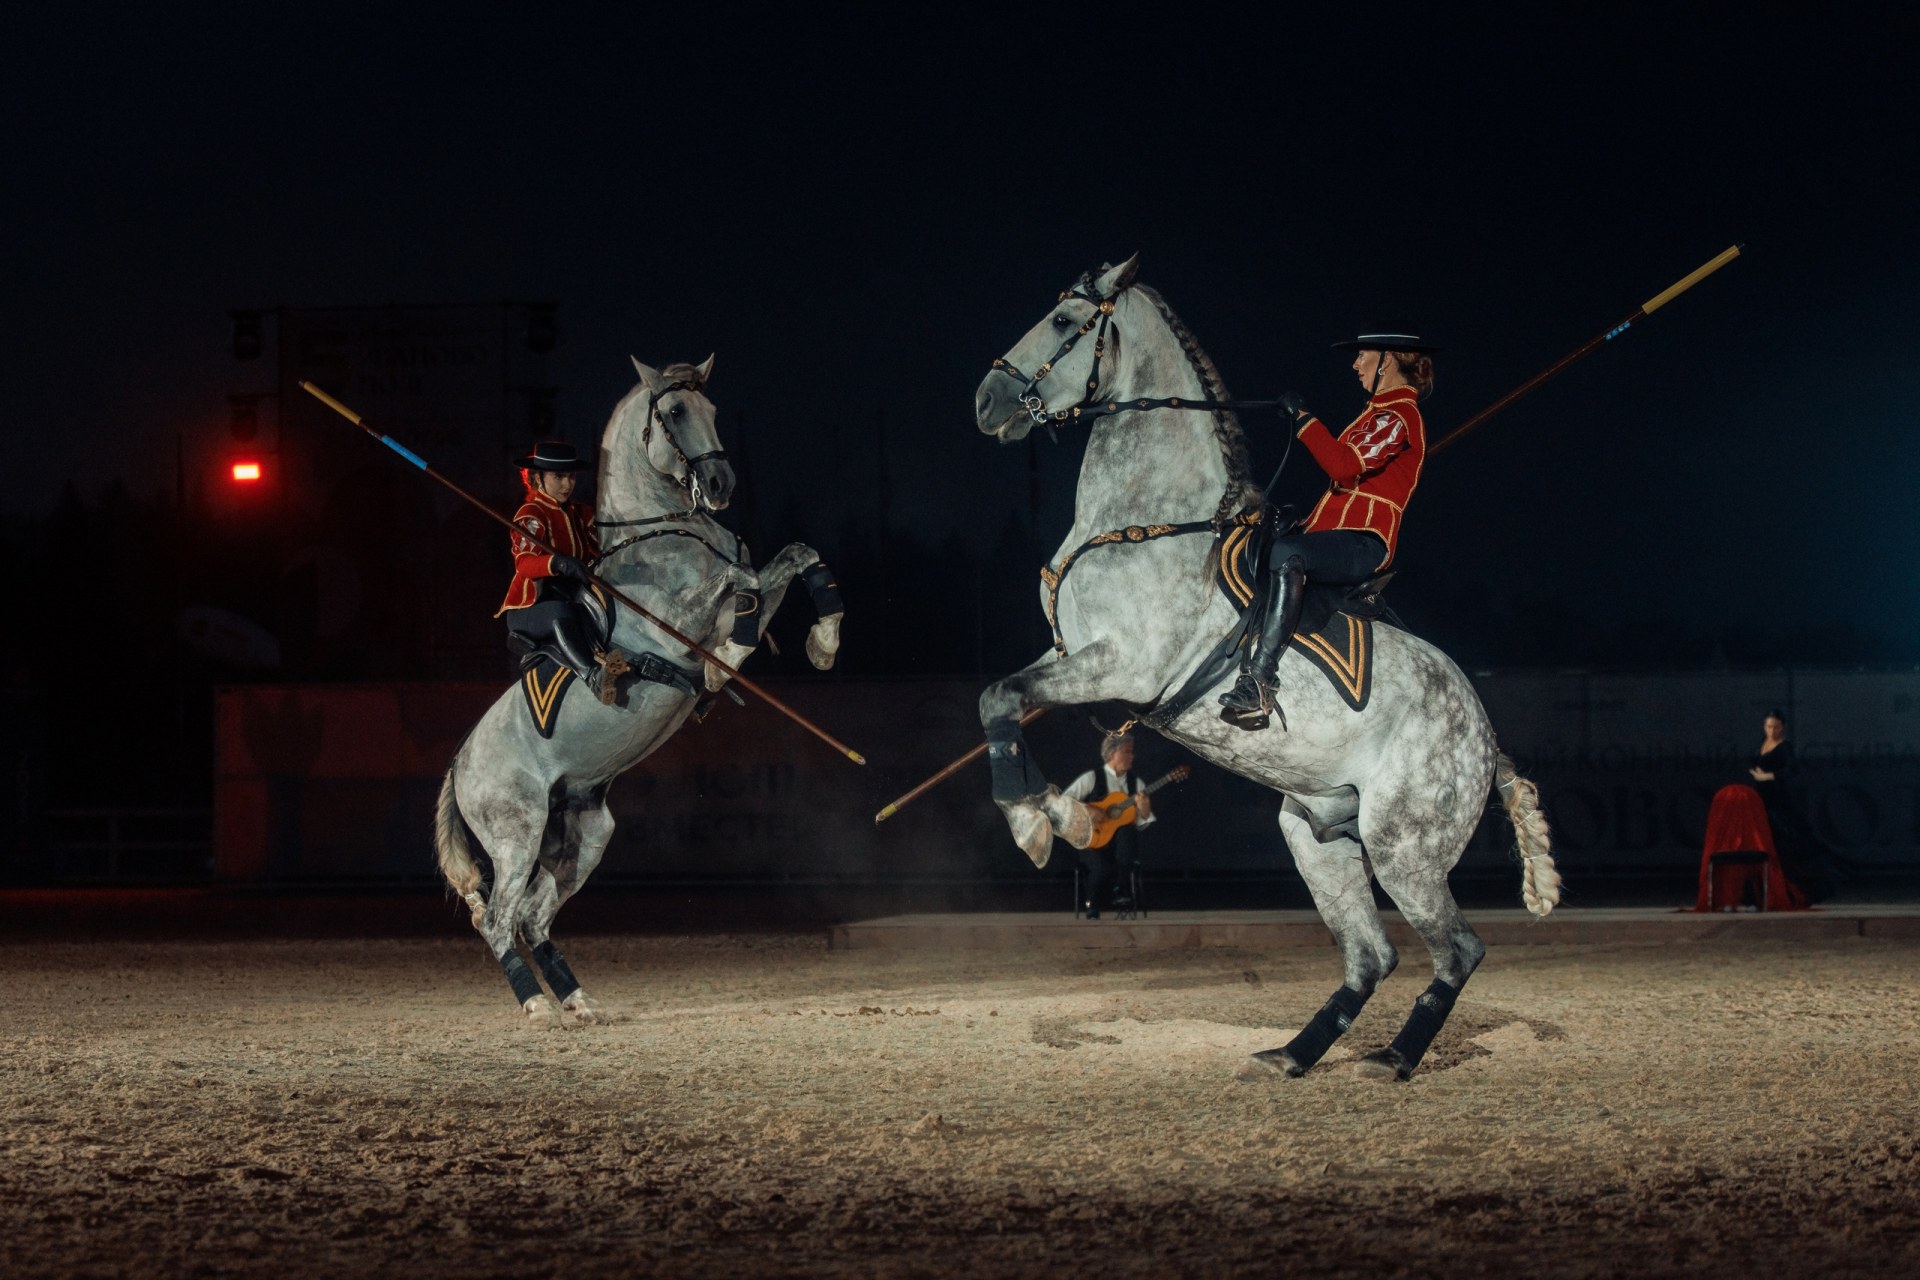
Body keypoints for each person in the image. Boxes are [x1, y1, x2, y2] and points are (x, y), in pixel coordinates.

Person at [1220, 333, 1439, 730]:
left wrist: (1304, 418)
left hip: (1363, 543)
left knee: (1288, 554)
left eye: (1362, 355)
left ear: (1387, 360)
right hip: (1336, 536)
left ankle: (1260, 683)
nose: (1356, 364)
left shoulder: (1400, 416)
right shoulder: (1377, 414)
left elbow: (1342, 466)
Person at [495, 441, 624, 705]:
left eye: (571, 476)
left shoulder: (581, 514)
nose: (567, 484)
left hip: (573, 599)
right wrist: (558, 564)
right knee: (560, 613)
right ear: (537, 478)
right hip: (532, 609)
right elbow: (524, 565)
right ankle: (592, 677)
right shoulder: (531, 513)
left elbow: (599, 551)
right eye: (558, 476)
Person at [1745, 709, 1840, 902]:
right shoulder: (1763, 743)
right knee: (1764, 846)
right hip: (1761, 800)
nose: (1772, 731)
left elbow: (1793, 769)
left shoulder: (1784, 746)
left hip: (1777, 802)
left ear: (1783, 728)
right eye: (1769, 727)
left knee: (1784, 846)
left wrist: (1768, 776)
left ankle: (1795, 890)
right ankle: (1766, 890)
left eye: (1776, 727)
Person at [1063, 725, 1153, 919]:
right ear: (1113, 753)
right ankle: (1092, 904)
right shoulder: (1092, 778)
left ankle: (1121, 888)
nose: (1132, 756)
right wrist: (1088, 808)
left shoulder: (1136, 784)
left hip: (1121, 848)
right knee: (1102, 867)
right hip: (1093, 841)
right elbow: (1063, 802)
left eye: (1132, 752)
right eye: (1127, 752)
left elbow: (1143, 822)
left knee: (1127, 832)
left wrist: (1144, 808)